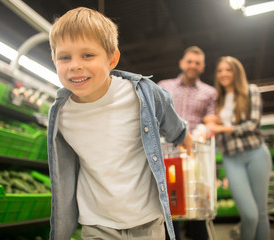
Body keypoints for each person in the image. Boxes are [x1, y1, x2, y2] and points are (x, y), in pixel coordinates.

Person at [47, 7, 193, 240]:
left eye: (87, 55)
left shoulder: (141, 94)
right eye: (65, 57)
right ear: (54, 60)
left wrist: (186, 140)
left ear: (112, 59)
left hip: (147, 221)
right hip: (96, 224)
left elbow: (171, 121)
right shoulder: (61, 115)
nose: (75, 65)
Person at [204, 56, 272, 240]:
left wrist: (223, 128)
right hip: (231, 158)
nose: (223, 73)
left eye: (228, 69)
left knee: (261, 212)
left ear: (237, 72)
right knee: (249, 215)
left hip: (256, 153)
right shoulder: (217, 99)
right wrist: (209, 123)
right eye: (220, 70)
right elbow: (210, 125)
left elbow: (253, 124)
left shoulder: (251, 91)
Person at [157, 46, 217, 240]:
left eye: (197, 63)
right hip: (167, 152)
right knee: (169, 206)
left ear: (203, 67)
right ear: (182, 63)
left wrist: (206, 132)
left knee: (196, 205)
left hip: (194, 155)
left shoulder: (210, 93)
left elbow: (210, 121)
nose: (193, 65)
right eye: (189, 61)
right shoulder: (164, 86)